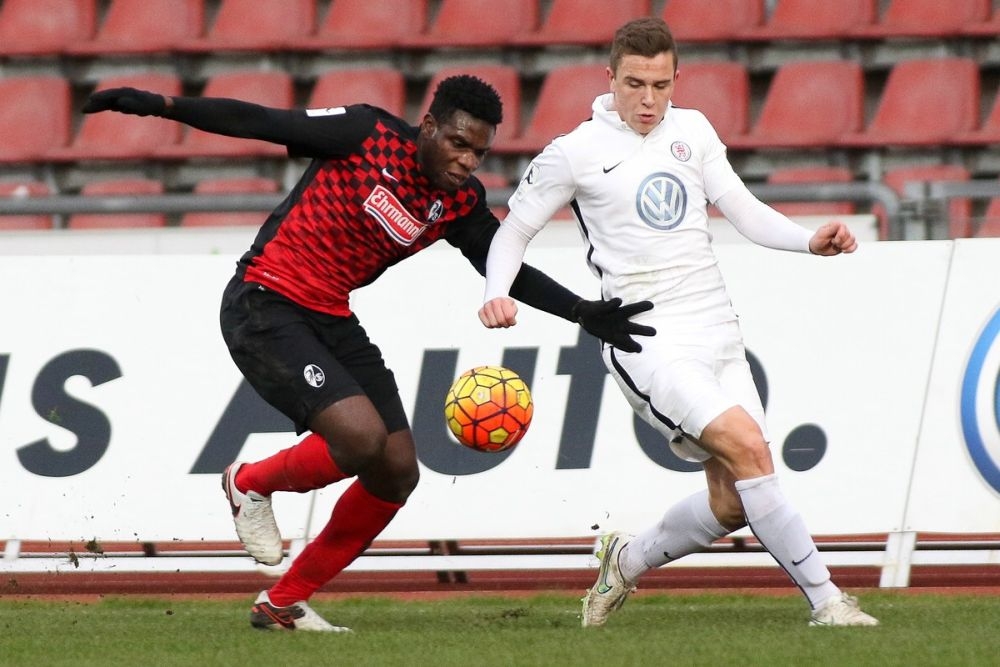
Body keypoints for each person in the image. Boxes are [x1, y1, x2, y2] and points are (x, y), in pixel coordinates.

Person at [82, 75, 655, 632]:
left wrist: (581, 311)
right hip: (264, 301)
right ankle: (248, 482)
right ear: (428, 126)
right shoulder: (364, 133)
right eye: (458, 144)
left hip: (331, 315)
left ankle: (283, 603)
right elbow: (259, 121)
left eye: (478, 153)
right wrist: (163, 105)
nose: (466, 161)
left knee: (397, 469)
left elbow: (504, 265)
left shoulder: (457, 201)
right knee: (359, 439)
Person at [478, 18, 878, 628]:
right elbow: (513, 232)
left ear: (675, 80)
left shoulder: (693, 130)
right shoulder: (575, 151)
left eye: (661, 85)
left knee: (732, 500)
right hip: (647, 337)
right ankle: (829, 602)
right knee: (750, 448)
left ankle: (624, 560)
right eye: (635, 84)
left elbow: (742, 209)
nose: (648, 99)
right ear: (610, 78)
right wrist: (496, 293)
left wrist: (808, 240)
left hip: (718, 328)